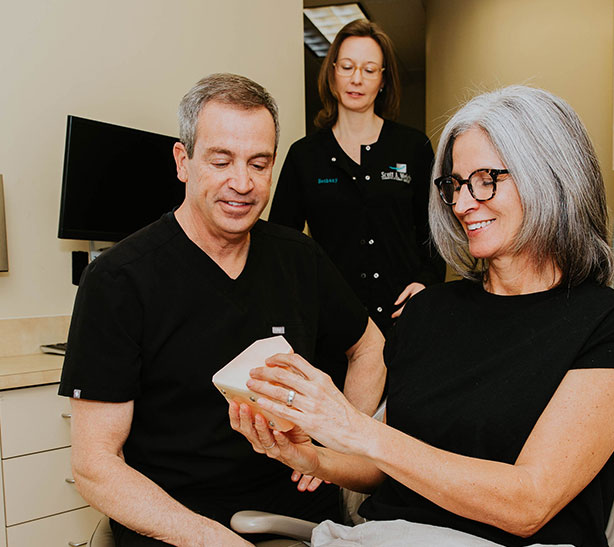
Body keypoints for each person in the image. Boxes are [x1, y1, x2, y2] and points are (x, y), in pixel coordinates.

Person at [230, 86, 614, 546]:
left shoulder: (607, 325)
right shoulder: (428, 311)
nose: (461, 204)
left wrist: (353, 427)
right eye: (454, 185)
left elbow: (528, 504)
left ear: (549, 176)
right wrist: (311, 457)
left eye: (486, 180)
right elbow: (387, 467)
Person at [58, 73, 386, 547]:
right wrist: (213, 541)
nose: (242, 183)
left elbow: (370, 345)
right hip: (180, 527)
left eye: (259, 163)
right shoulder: (118, 280)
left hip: (301, 522)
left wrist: (333, 447)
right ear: (182, 162)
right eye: (221, 160)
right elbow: (94, 466)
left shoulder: (300, 258)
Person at [269, 19, 445, 335]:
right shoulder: (305, 155)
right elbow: (281, 241)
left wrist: (426, 284)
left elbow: (434, 231)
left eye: (369, 69)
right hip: (333, 324)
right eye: (347, 67)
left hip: (403, 320)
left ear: (383, 80)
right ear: (332, 73)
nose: (356, 79)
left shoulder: (412, 147)